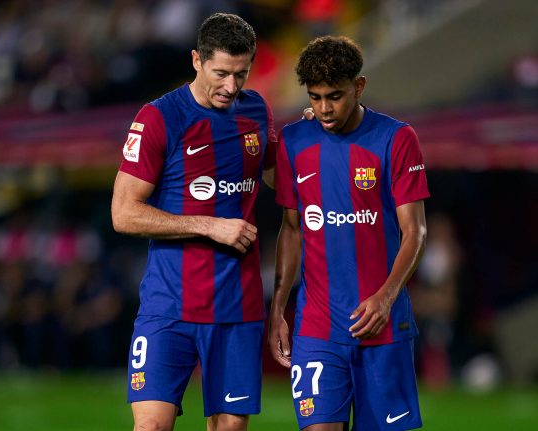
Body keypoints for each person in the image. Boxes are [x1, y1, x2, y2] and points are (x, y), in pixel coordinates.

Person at [111, 13, 277, 431]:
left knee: (231, 427)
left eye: (241, 74)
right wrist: (208, 225)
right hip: (170, 307)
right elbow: (124, 213)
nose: (231, 87)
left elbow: (278, 173)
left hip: (237, 307)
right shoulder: (158, 118)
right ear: (196, 61)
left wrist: (315, 137)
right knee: (151, 425)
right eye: (221, 73)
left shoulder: (255, 111)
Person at [269, 35, 430, 431]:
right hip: (317, 326)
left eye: (335, 96)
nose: (324, 108)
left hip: (384, 324)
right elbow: (291, 230)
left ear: (358, 87)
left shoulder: (396, 138)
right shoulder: (294, 141)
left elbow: (416, 231)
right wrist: (277, 308)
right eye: (315, 96)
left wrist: (386, 295)